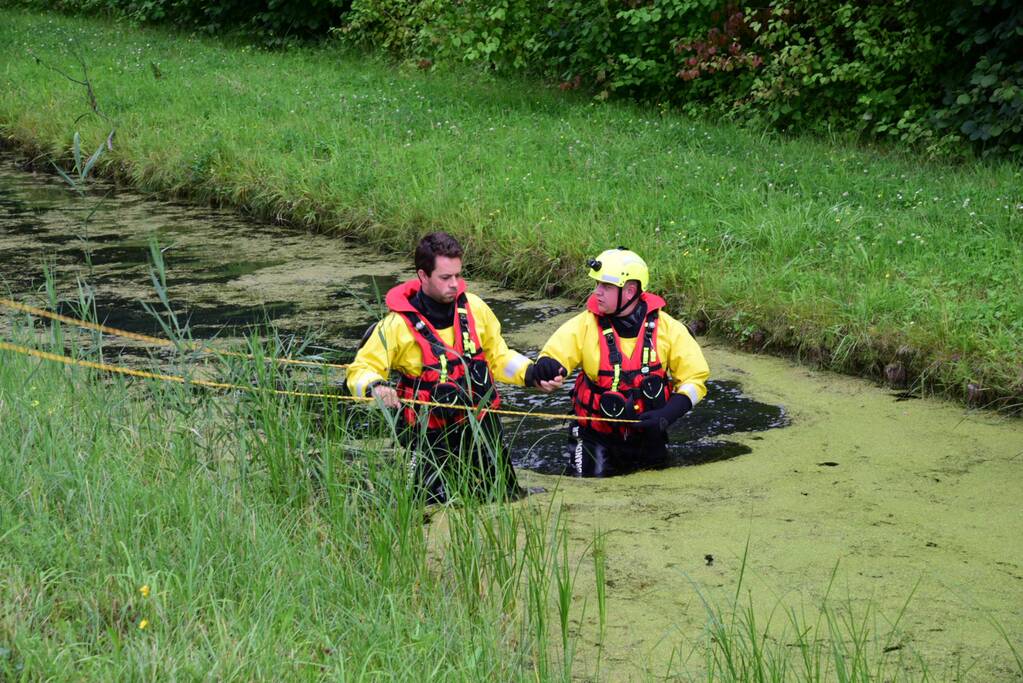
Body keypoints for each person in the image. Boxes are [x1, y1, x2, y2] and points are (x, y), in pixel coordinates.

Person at [346, 232, 563, 502]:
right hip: (429, 432)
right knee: (428, 503)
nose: (455, 284)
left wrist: (531, 374)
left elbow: (498, 357)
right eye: (445, 278)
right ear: (423, 276)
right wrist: (375, 387)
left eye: (458, 276)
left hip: (482, 423)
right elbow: (359, 370)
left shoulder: (476, 309)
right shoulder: (395, 327)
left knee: (505, 497)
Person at [531, 247, 710, 476]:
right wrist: (547, 366)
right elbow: (554, 354)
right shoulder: (584, 325)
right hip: (593, 437)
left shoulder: (669, 329)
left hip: (649, 431)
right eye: (596, 285)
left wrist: (669, 414)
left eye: (605, 286)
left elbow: (695, 378)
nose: (597, 293)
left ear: (629, 291)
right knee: (587, 487)